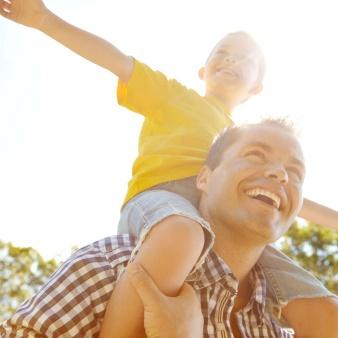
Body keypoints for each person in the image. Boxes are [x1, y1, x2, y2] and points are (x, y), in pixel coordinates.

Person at [0, 1, 337, 337]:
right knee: (183, 234)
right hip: (161, 201)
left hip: (219, 226)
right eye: (224, 52)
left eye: (248, 58)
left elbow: (284, 194)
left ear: (256, 88)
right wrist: (45, 20)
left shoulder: (245, 142)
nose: (233, 59)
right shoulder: (175, 97)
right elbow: (119, 62)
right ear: (203, 71)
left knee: (324, 309)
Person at [1, 119, 337, 338]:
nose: (280, 173)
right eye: (256, 154)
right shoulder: (113, 268)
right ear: (204, 178)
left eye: (295, 172)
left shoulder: (281, 330)